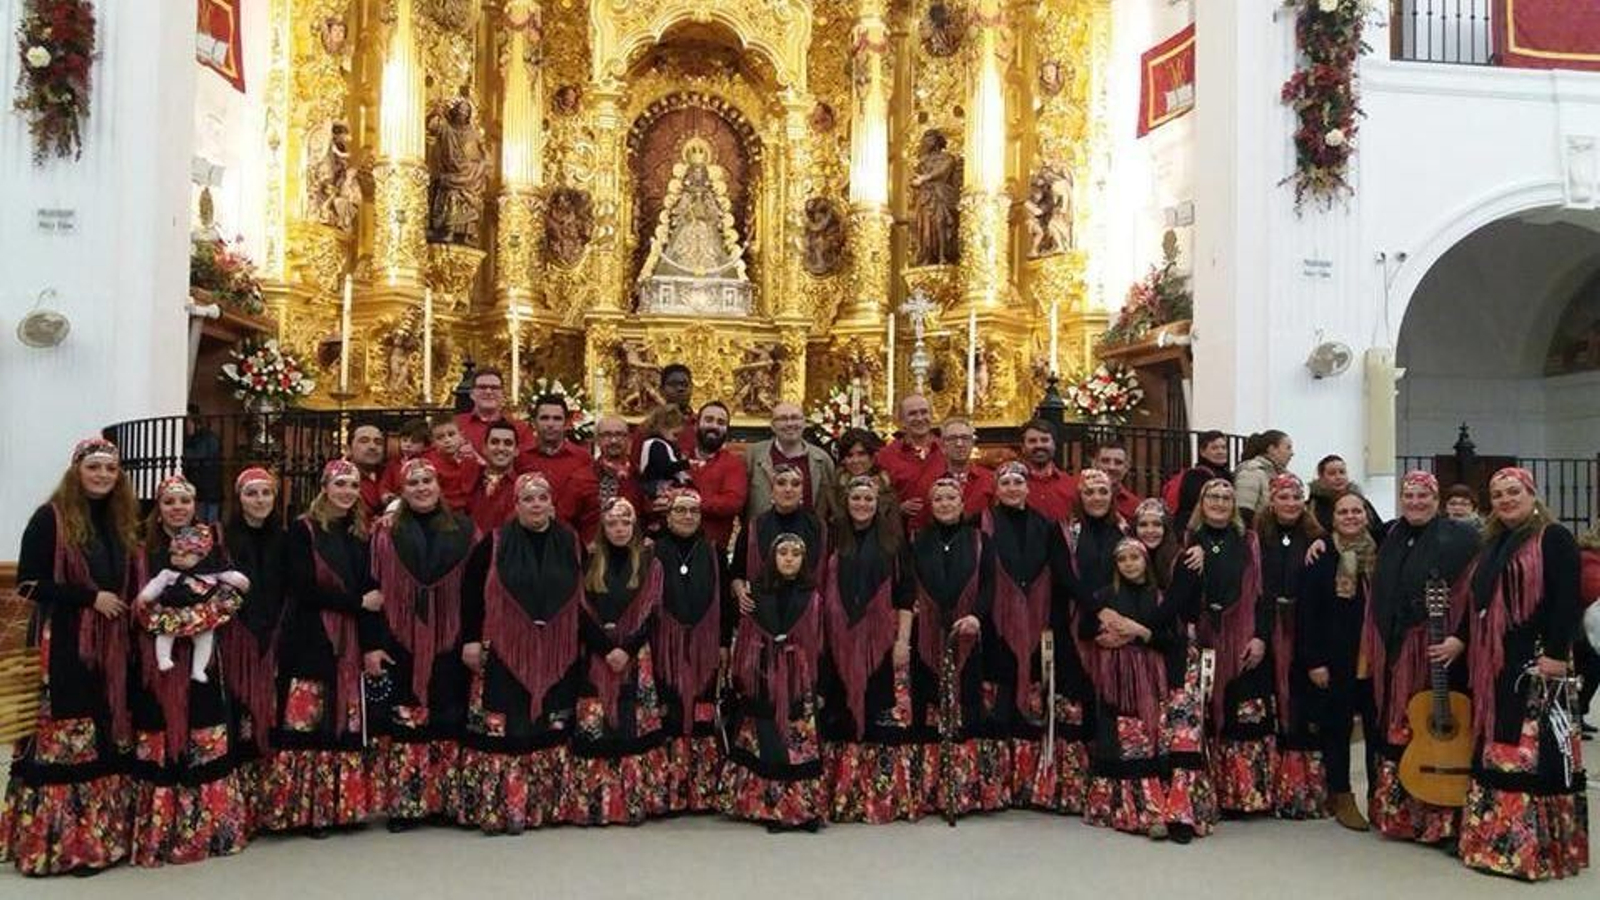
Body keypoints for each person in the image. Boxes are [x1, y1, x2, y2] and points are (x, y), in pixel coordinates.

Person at [2, 438, 140, 876]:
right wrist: (89, 598)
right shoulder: (51, 518)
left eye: (110, 469)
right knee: (69, 735)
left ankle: (101, 839)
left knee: (105, 732)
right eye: (94, 468)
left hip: (113, 646)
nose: (102, 476)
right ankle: (65, 846)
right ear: (76, 471)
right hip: (63, 643)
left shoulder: (122, 522)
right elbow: (29, 582)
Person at [1456, 468, 1588, 881]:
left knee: (1531, 754)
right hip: (1496, 662)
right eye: (1497, 494)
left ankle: (1534, 851)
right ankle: (1493, 843)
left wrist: (1556, 653)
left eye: (1513, 491)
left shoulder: (1554, 538)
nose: (1505, 500)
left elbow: (1569, 598)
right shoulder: (1492, 542)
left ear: (1531, 493)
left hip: (1536, 660)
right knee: (1497, 746)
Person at [129, 474, 252, 866]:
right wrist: (161, 621)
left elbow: (231, 590)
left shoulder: (212, 543)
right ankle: (160, 832)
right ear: (159, 507)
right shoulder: (142, 548)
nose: (177, 508)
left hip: (203, 650)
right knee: (159, 724)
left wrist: (200, 618)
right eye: (169, 502)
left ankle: (207, 829)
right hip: (158, 654)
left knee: (204, 723)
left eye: (184, 500)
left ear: (194, 504)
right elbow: (138, 600)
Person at [260, 459, 382, 837]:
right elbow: (301, 587)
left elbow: (373, 589)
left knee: (339, 722)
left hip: (350, 641)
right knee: (307, 721)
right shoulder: (302, 530)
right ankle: (303, 811)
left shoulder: (363, 532)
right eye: (340, 484)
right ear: (325, 487)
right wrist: (356, 605)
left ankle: (338, 809)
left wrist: (370, 638)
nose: (347, 492)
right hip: (309, 636)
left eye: (353, 485)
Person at [457, 474, 584, 834]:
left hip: (557, 649)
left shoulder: (571, 541)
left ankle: (546, 807)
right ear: (516, 505)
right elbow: (470, 594)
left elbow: (586, 594)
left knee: (549, 722)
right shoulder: (494, 542)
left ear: (552, 503)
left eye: (543, 497)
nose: (536, 505)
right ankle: (503, 809)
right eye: (528, 499)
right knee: (507, 724)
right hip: (504, 649)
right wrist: (469, 639)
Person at [1363, 470, 1479, 846]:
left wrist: (1459, 638)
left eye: (1422, 496)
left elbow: (1473, 596)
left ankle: (1440, 821)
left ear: (1436, 499)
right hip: (1395, 647)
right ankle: (1402, 818)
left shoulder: (1460, 537)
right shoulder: (1393, 534)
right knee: (1396, 723)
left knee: (1431, 720)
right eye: (1408, 496)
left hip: (1434, 648)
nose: (1415, 502)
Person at [367, 458, 477, 832]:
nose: (421, 487)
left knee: (448, 714)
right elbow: (374, 589)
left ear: (439, 485)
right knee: (405, 716)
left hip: (452, 636)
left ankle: (445, 801)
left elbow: (477, 591)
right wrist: (375, 642)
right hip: (400, 636)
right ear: (402, 489)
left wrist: (472, 639)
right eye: (412, 482)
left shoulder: (465, 529)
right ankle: (407, 804)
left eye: (427, 480)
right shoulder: (384, 531)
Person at [1169, 478, 1274, 817]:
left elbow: (1261, 594)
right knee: (1205, 716)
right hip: (1202, 637)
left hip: (1242, 636)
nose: (1219, 502)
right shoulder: (1187, 540)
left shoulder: (1250, 541)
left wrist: (1260, 636)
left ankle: (1243, 796)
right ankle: (1206, 794)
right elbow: (1177, 594)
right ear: (1202, 502)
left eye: (1226, 497)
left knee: (1242, 715)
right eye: (1212, 496)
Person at [984, 462, 1085, 813]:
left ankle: (1030, 785)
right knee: (999, 699)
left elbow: (1062, 574)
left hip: (1039, 620)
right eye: (1006, 482)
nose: (1012, 488)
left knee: (1033, 699)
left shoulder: (1047, 526)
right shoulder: (981, 523)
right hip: (994, 623)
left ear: (1028, 488)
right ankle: (998, 786)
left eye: (1018, 482)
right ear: (996, 489)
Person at [819, 476, 919, 823]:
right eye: (856, 498)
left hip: (881, 641)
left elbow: (906, 593)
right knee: (840, 713)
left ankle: (879, 799)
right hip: (837, 638)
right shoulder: (832, 536)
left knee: (879, 712)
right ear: (847, 501)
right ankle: (843, 796)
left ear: (879, 503)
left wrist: (903, 640)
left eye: (869, 499)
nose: (862, 504)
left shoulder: (894, 540)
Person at [910, 478, 1008, 817]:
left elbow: (989, 585)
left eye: (951, 497)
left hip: (968, 632)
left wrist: (976, 617)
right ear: (931, 504)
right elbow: (910, 585)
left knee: (969, 706)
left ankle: (966, 792)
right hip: (927, 636)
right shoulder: (917, 542)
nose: (945, 503)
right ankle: (932, 792)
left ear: (962, 502)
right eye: (938, 498)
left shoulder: (981, 541)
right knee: (931, 704)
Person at [570, 498, 670, 825]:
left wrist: (626, 648)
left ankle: (633, 802)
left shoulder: (649, 563)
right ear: (603, 527)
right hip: (597, 655)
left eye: (625, 523)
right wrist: (604, 646)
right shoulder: (588, 560)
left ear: (634, 526)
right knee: (597, 725)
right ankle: (596, 803)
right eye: (612, 524)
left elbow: (651, 611)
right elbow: (580, 611)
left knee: (631, 723)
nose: (619, 529)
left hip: (634, 655)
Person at [722, 533, 827, 832]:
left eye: (796, 554)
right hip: (763, 676)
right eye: (783, 553)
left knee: (798, 743)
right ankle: (772, 806)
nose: (790, 559)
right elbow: (744, 637)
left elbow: (820, 643)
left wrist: (819, 686)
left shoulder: (813, 597)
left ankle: (801, 808)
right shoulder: (755, 595)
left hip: (799, 680)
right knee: (768, 741)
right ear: (772, 558)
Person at [1079, 539, 1178, 840]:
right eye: (1123, 559)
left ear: (1145, 562)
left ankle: (1155, 807)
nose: (1130, 564)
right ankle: (1120, 807)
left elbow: (1172, 641)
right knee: (1119, 736)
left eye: (1135, 557)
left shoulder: (1160, 598)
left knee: (1150, 737)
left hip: (1151, 677)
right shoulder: (1104, 596)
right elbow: (1085, 630)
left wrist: (1139, 632)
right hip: (1116, 677)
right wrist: (1103, 635)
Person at [1253, 473, 1332, 820]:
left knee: (1301, 704)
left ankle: (1303, 792)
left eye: (1296, 498)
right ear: (1272, 501)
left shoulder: (1318, 539)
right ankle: (1270, 790)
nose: (1290, 504)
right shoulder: (1256, 539)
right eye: (1283, 498)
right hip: (1268, 627)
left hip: (1303, 628)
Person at [217, 467, 288, 822]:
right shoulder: (222, 538)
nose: (260, 500)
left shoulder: (285, 538)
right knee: (236, 714)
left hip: (273, 636)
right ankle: (238, 803)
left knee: (271, 716)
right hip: (235, 637)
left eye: (266, 494)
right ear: (239, 498)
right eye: (252, 494)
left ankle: (268, 803)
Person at [651, 490, 724, 813]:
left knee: (701, 712)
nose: (687, 516)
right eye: (680, 510)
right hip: (663, 644)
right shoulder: (653, 551)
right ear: (668, 516)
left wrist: (723, 644)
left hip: (705, 643)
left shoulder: (713, 552)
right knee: (669, 712)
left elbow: (728, 602)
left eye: (694, 511)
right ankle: (669, 792)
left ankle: (702, 791)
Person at [1312, 491, 1381, 831]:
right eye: (1343, 512)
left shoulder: (1381, 549)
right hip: (1337, 657)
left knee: (1377, 730)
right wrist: (1315, 661)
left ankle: (1379, 798)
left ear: (1366, 515)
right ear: (1333, 517)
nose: (1351, 516)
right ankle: (1343, 795)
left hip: (1376, 657)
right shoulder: (1322, 553)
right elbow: (1307, 614)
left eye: (1357, 510)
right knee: (1337, 727)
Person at [135, 525, 246, 680]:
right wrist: (145, 596)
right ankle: (163, 658)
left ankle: (198, 669)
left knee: (206, 636)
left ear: (201, 555)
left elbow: (229, 575)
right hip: (175, 610)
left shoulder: (211, 570)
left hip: (202, 612)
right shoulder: (168, 573)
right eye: (174, 554)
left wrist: (241, 581)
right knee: (165, 632)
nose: (179, 558)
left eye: (186, 554)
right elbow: (155, 584)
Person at [730, 464, 827, 611]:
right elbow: (737, 572)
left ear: (802, 492)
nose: (788, 489)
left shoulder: (819, 528)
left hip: (805, 614)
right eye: (781, 483)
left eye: (795, 484)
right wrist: (740, 592)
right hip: (763, 612)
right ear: (771, 490)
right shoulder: (754, 528)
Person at [523, 393, 601, 539]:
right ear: (534, 422)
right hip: (526, 537)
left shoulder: (583, 459)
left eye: (557, 418)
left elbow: (591, 506)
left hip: (570, 539)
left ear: (567, 423)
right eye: (544, 418)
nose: (550, 424)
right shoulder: (521, 457)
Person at [745, 401, 836, 524]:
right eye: (782, 419)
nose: (789, 423)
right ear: (772, 425)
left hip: (808, 536)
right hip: (764, 534)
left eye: (795, 418)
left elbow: (830, 503)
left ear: (804, 423)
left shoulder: (822, 459)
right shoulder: (754, 455)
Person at [876, 394, 946, 533]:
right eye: (912, 414)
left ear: (932, 416)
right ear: (901, 421)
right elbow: (876, 498)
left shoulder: (946, 449)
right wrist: (898, 509)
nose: (920, 418)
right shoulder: (886, 456)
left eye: (924, 412)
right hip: (901, 536)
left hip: (943, 533)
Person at [686, 401, 747, 553]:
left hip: (712, 551)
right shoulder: (677, 456)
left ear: (727, 430)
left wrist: (691, 501)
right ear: (697, 424)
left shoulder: (733, 464)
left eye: (721, 422)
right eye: (708, 420)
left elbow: (732, 503)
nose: (714, 426)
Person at [455, 367, 535, 460]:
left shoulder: (521, 429)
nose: (488, 392)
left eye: (494, 388)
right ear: (472, 394)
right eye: (482, 387)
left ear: (503, 394)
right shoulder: (455, 425)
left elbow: (529, 464)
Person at [1167, 430, 1232, 533]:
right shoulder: (1195, 476)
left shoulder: (1226, 475)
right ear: (1202, 452)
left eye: (1224, 447)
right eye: (1214, 448)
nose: (1221, 451)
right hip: (1198, 531)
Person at [1308, 454, 1384, 538]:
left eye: (1342, 472)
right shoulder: (1312, 507)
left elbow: (1378, 530)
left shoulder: (1361, 502)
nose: (1338, 477)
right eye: (1332, 474)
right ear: (1321, 477)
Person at [593, 414, 645, 532]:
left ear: (628, 439)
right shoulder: (584, 475)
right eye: (607, 435)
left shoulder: (641, 474)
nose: (613, 440)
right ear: (597, 440)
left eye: (619, 434)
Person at [830, 427, 896, 520]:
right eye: (849, 455)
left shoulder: (885, 486)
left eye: (861, 454)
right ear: (843, 460)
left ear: (872, 457)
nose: (855, 460)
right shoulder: (834, 489)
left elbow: (894, 529)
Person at [467, 422, 521, 534]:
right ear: (484, 448)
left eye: (508, 443)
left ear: (516, 451)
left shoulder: (522, 489)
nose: (501, 448)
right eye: (495, 442)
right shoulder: (470, 481)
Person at [422, 415, 482, 514]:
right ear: (433, 442)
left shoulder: (471, 458)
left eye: (451, 434)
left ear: (461, 435)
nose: (447, 440)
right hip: (441, 513)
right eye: (440, 437)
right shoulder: (429, 463)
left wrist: (477, 457)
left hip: (472, 512)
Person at [1232, 430, 1293, 526]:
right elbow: (1243, 512)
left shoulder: (1280, 475)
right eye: (1288, 448)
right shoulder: (1251, 472)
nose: (1292, 453)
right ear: (1272, 449)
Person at [1020, 420, 1075, 523]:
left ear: (1054, 444)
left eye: (1044, 440)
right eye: (1032, 441)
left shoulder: (1071, 485)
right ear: (1023, 447)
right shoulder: (1011, 485)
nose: (1039, 445)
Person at [940, 416, 995, 519]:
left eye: (965, 438)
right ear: (943, 444)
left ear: (972, 443)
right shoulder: (931, 480)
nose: (959, 444)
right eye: (952, 438)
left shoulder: (990, 479)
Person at [637, 405, 693, 503]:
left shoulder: (665, 445)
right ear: (662, 427)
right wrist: (686, 464)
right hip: (657, 488)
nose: (676, 439)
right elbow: (664, 469)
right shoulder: (656, 445)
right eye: (675, 435)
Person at [182, 405, 223, 523]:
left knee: (208, 525)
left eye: (188, 420)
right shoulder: (195, 438)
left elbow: (196, 459)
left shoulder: (207, 438)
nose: (185, 425)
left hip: (208, 491)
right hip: (200, 491)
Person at [379, 418, 431, 505]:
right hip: (398, 503)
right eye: (404, 440)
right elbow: (385, 484)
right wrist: (386, 495)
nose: (407, 445)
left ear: (425, 445)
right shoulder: (393, 463)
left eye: (414, 442)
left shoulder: (428, 462)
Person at [1132, 498, 1180, 591]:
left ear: (1166, 529)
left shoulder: (1179, 560)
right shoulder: (1127, 557)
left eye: (1157, 524)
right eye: (1143, 524)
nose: (1150, 530)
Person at [1093, 439, 1142, 523]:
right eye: (1105, 461)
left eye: (1118, 462)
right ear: (1094, 464)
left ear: (1126, 468)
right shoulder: (1076, 499)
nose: (1111, 467)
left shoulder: (1135, 506)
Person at [347, 421, 388, 517]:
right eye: (364, 441)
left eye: (378, 442)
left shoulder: (392, 474)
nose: (373, 447)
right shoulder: (341, 478)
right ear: (348, 449)